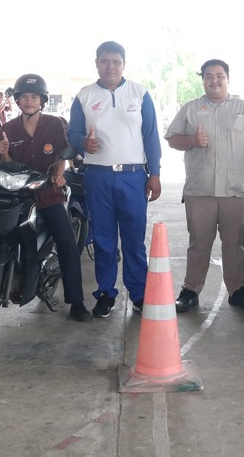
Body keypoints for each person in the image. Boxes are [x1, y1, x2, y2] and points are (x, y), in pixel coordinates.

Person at [67, 41, 162, 318]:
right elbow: (72, 133)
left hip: (133, 177)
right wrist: (83, 143)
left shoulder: (139, 94)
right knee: (104, 240)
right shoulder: (84, 96)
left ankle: (140, 294)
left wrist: (155, 174)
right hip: (98, 177)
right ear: (96, 63)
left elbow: (151, 136)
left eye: (116, 61)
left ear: (124, 64)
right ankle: (106, 294)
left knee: (134, 240)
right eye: (105, 61)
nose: (111, 66)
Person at [165, 59, 244, 313]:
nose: (214, 80)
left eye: (219, 75)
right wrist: (192, 140)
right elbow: (172, 139)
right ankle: (190, 290)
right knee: (199, 243)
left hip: (235, 190)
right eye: (209, 76)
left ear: (227, 79)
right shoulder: (190, 108)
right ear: (203, 81)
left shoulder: (243, 109)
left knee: (234, 243)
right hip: (200, 190)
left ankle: (237, 290)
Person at [0, 73, 92, 322]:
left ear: (42, 100)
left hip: (49, 193)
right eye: (24, 97)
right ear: (17, 100)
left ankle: (77, 302)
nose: (29, 101)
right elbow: (6, 164)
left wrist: (59, 175)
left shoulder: (54, 124)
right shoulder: (7, 129)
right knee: (0, 234)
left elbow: (61, 155)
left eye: (34, 97)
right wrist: (4, 154)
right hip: (18, 194)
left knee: (67, 243)